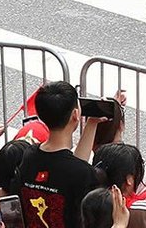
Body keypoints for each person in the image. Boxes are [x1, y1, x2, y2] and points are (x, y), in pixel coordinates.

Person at [16, 82, 103, 228]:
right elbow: (72, 170)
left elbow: (71, 166)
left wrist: (92, 124)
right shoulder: (84, 174)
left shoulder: (29, 156)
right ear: (75, 114)